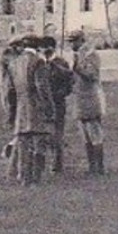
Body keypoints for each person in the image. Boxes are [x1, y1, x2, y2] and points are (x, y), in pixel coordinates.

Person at [9, 38, 56, 185]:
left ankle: (24, 177)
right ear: (38, 47)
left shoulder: (15, 63)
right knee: (38, 144)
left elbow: (11, 89)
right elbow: (42, 87)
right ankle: (36, 178)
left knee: (23, 144)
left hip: (21, 108)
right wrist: (49, 107)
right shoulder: (38, 62)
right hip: (36, 107)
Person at [68, 29, 107, 175]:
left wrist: (77, 69)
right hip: (80, 99)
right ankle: (92, 167)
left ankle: (99, 167)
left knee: (94, 133)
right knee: (85, 135)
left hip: (91, 98)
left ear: (80, 40)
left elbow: (92, 75)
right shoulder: (77, 55)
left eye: (73, 42)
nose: (71, 45)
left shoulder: (91, 55)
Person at [40, 37, 75, 175]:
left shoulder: (61, 63)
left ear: (52, 48)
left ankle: (57, 164)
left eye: (46, 48)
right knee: (43, 134)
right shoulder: (40, 63)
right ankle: (42, 163)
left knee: (57, 134)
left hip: (58, 103)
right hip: (43, 104)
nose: (44, 51)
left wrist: (60, 94)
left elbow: (69, 83)